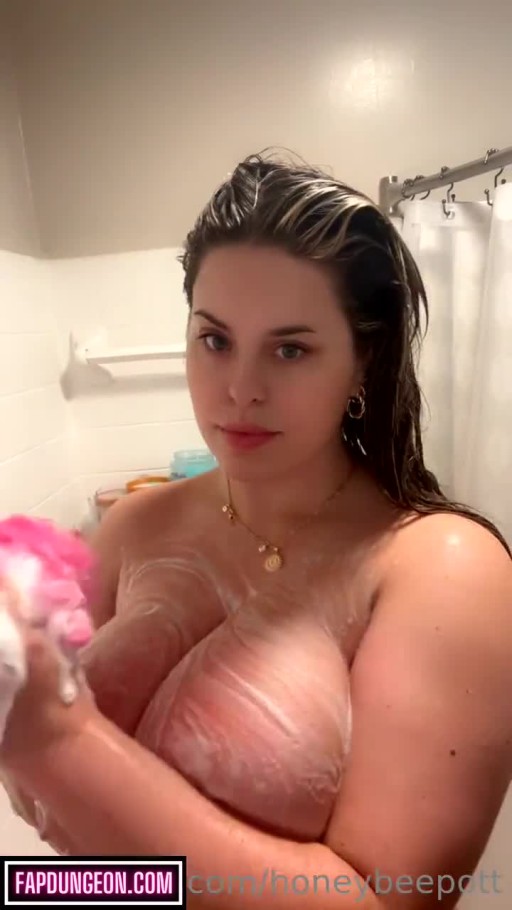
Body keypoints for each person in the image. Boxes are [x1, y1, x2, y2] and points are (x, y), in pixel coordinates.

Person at [1, 151, 512, 909]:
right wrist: (34, 890)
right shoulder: (134, 525)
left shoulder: (443, 569)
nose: (240, 390)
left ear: (362, 363)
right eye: (215, 340)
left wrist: (62, 742)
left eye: (291, 348)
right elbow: (84, 837)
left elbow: (391, 901)